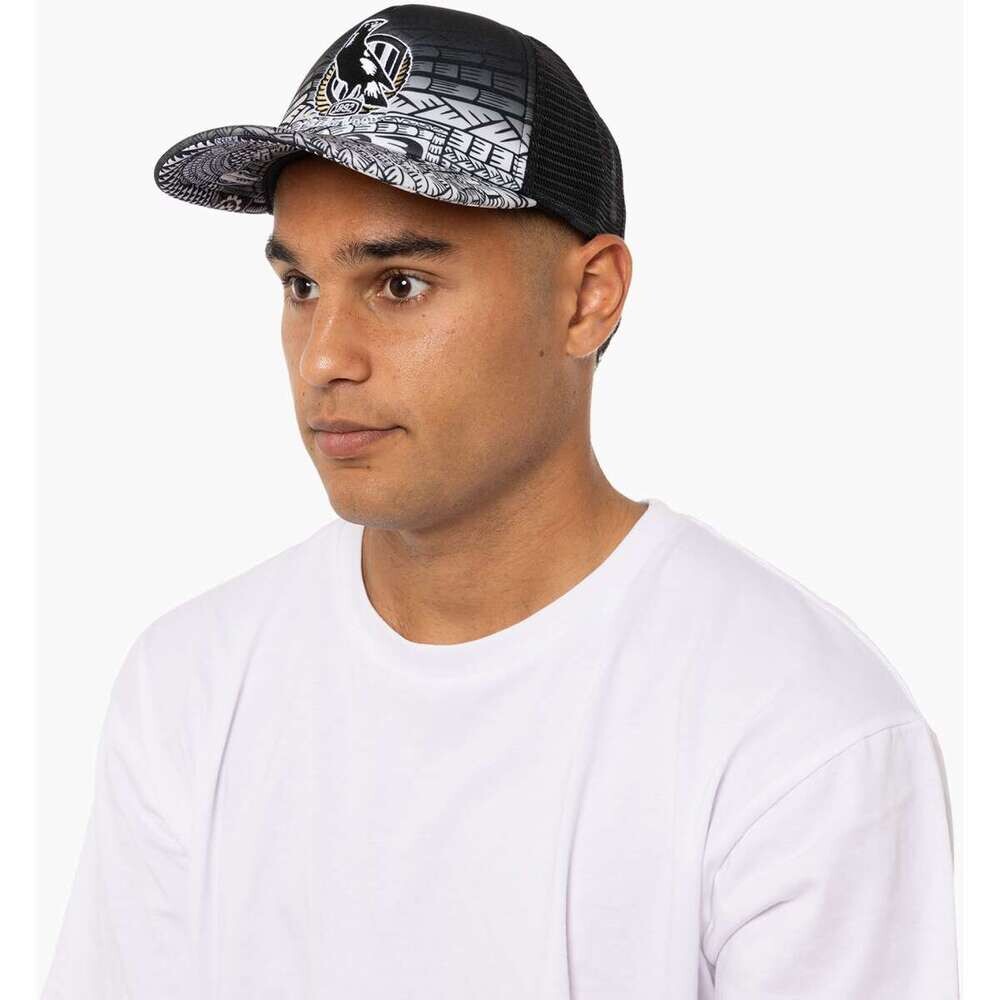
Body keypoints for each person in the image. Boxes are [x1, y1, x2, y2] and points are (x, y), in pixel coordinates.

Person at [41, 4, 960, 998]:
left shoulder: (797, 729)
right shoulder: (189, 687)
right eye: (301, 286)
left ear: (588, 297)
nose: (323, 359)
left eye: (398, 285)